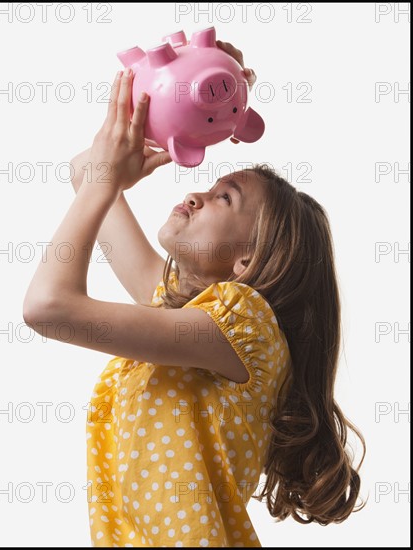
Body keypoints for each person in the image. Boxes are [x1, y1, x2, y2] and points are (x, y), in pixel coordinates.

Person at [23, 42, 366, 548]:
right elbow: (84, 172)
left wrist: (102, 180)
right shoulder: (192, 325)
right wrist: (160, 109)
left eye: (224, 197)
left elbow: (47, 307)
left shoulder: (243, 323)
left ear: (246, 261)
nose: (193, 193)